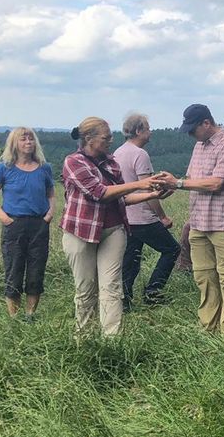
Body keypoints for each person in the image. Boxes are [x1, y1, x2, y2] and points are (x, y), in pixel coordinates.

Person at [59, 117, 163, 336]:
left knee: (112, 287)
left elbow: (121, 198)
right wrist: (140, 183)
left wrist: (152, 194)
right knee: (86, 289)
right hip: (81, 232)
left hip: (113, 230)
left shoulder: (111, 162)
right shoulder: (73, 162)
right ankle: (84, 337)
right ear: (89, 139)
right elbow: (99, 193)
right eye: (106, 138)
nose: (110, 141)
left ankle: (112, 339)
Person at [166, 104, 224, 333]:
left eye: (193, 129)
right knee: (204, 277)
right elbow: (191, 178)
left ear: (206, 123)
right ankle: (208, 329)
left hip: (223, 223)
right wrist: (167, 186)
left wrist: (177, 183)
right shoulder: (199, 145)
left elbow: (216, 183)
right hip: (198, 223)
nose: (191, 134)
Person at [0, 126, 54, 318]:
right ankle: (14, 318)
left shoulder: (44, 168)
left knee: (36, 270)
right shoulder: (4, 168)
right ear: (14, 143)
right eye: (23, 139)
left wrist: (50, 214)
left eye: (31, 139)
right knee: (14, 269)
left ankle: (30, 315)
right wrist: (4, 218)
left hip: (39, 225)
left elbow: (51, 194)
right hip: (14, 225)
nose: (28, 142)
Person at [114, 114, 180, 310]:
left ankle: (124, 300)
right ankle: (153, 292)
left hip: (126, 217)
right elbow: (148, 190)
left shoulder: (118, 152)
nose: (150, 132)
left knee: (131, 259)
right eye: (148, 128)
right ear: (138, 131)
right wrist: (162, 217)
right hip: (143, 218)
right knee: (172, 250)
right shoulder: (140, 154)